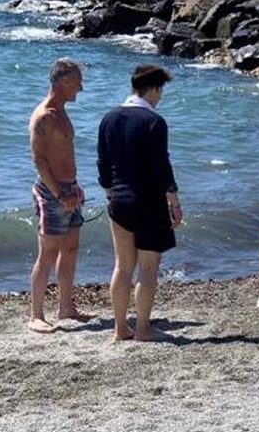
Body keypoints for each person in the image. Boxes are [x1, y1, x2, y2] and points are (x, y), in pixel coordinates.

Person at [97, 64, 183, 342]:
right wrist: (173, 199)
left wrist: (110, 193)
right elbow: (162, 166)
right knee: (148, 267)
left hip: (119, 200)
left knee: (122, 267)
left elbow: (103, 164)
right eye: (161, 91)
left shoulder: (108, 118)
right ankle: (143, 329)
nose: (161, 97)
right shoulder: (154, 122)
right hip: (148, 201)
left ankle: (121, 328)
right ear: (153, 89)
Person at [28, 57, 95, 333]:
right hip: (51, 193)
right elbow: (39, 161)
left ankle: (66, 307)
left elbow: (64, 155)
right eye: (78, 82)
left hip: (69, 189)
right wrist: (57, 194)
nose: (81, 88)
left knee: (70, 249)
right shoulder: (44, 116)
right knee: (48, 253)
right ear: (64, 81)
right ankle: (35, 315)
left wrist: (74, 186)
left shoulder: (61, 111)